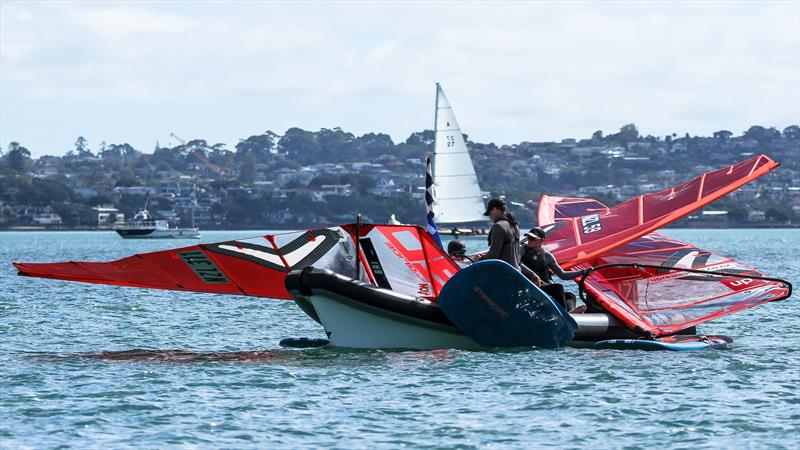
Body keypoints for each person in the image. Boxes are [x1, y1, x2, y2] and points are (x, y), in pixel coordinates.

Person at [519, 226, 585, 311]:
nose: (530, 240)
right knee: (558, 288)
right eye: (528, 238)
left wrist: (582, 272)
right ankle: (566, 314)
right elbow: (516, 261)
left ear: (541, 240)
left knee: (570, 296)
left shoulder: (548, 256)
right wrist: (532, 274)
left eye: (533, 238)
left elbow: (563, 275)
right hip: (529, 286)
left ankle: (570, 314)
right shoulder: (522, 249)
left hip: (543, 287)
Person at [475, 198, 521, 270]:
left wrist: (480, 258)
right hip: (516, 271)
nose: (490, 217)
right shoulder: (515, 225)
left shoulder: (498, 226)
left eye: (490, 213)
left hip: (503, 273)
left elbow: (494, 255)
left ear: (495, 209)